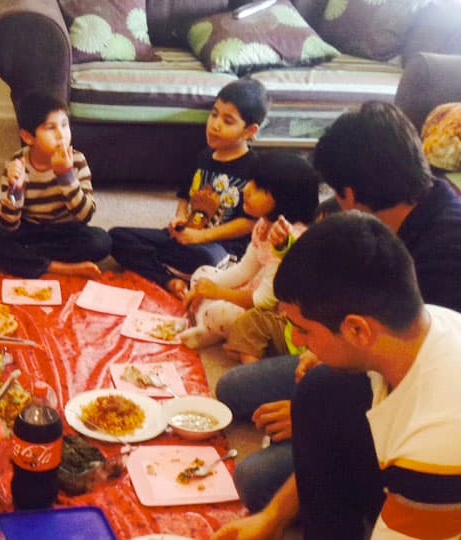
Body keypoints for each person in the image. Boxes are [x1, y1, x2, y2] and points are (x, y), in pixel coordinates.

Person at [215, 101, 461, 514]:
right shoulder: (409, 203)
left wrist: (315, 421)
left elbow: (402, 375)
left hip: (406, 396)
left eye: (336, 193)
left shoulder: (444, 260)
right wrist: (319, 355)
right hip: (365, 358)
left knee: (255, 480)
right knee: (234, 389)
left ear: (353, 195)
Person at [213, 212, 461, 540]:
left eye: (304, 330)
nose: (297, 342)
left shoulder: (435, 439)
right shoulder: (412, 328)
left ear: (358, 330)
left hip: (437, 493)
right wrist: (272, 517)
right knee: (322, 388)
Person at [110, 79, 269, 297]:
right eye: (214, 114)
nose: (215, 125)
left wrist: (201, 237)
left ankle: (170, 267)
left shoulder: (255, 168)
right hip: (188, 238)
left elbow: (250, 223)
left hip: (222, 249)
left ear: (250, 131)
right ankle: (169, 280)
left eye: (228, 121)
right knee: (117, 237)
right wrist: (181, 220)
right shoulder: (203, 157)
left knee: (205, 259)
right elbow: (185, 198)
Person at [177, 152, 320, 353]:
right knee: (202, 274)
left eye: (259, 188)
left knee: (219, 312)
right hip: (251, 289)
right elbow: (243, 270)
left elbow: (264, 301)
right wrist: (205, 287)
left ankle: (210, 329)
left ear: (285, 199)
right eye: (251, 181)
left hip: (270, 314)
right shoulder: (263, 224)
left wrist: (216, 292)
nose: (246, 189)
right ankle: (208, 328)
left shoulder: (287, 238)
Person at [0, 93, 110, 278]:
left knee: (101, 242)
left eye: (64, 124)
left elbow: (85, 216)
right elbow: (7, 225)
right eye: (50, 128)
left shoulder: (77, 160)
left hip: (66, 230)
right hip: (29, 229)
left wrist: (66, 175)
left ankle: (27, 260)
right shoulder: (16, 164)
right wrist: (16, 190)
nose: (61, 134)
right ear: (28, 137)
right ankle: (57, 267)